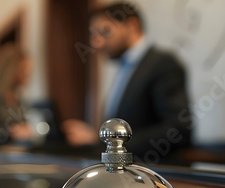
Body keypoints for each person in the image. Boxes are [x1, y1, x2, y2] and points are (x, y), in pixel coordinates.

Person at [62, 2, 191, 162]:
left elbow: (178, 129)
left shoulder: (163, 64)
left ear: (132, 26)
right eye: (94, 35)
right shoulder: (124, 68)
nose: (97, 43)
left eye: (105, 31)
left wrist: (99, 140)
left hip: (152, 175)